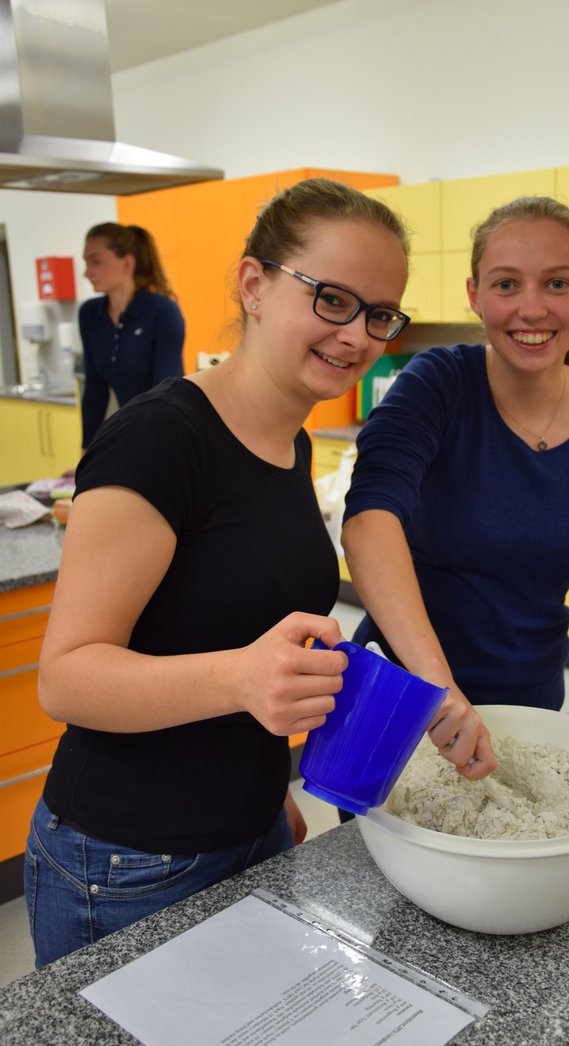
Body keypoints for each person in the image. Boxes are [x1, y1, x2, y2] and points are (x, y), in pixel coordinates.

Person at [25, 179, 485, 969]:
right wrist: (240, 679)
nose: (357, 335)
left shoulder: (286, 440)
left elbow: (235, 623)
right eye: (332, 299)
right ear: (254, 284)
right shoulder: (159, 442)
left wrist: (271, 799)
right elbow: (65, 679)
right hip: (128, 860)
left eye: (380, 314)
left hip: (250, 831)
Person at [342, 195, 569, 772]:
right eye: (507, 284)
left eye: (557, 284)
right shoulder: (437, 383)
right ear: (475, 294)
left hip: (528, 706)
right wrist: (436, 688)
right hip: (400, 698)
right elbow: (369, 519)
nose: (532, 309)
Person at [79, 222, 185, 449]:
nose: (86, 272)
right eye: (86, 263)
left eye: (95, 262)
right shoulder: (89, 314)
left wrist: (140, 448)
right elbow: (95, 389)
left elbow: (166, 392)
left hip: (168, 433)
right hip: (130, 432)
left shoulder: (163, 311)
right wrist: (87, 450)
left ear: (127, 263)